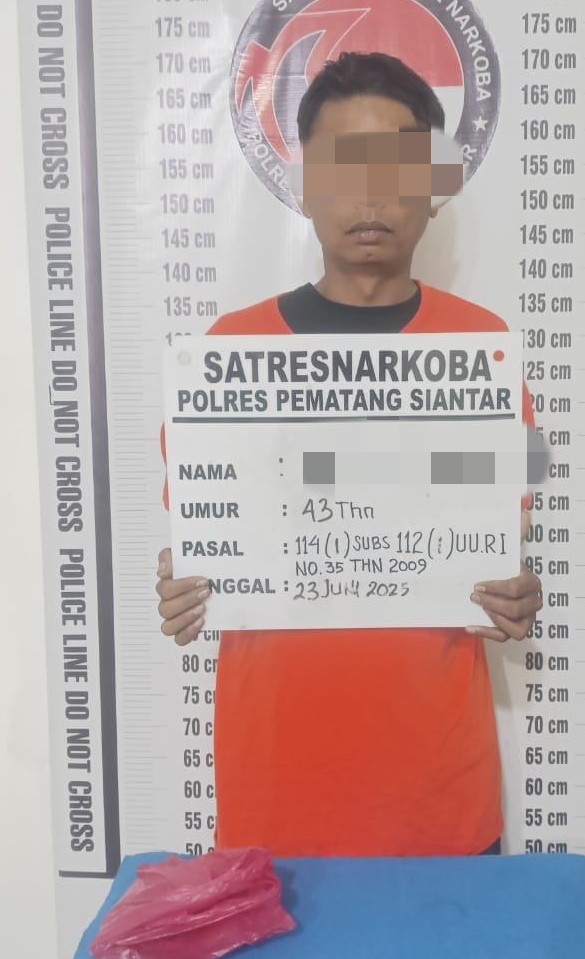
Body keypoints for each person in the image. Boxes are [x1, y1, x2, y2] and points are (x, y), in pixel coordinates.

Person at [155, 51, 542, 858]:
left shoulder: (485, 355)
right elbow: (207, 545)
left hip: (440, 800)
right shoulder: (226, 356)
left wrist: (514, 593)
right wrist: (187, 579)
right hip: (274, 794)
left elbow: (497, 551)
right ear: (304, 186)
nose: (369, 196)